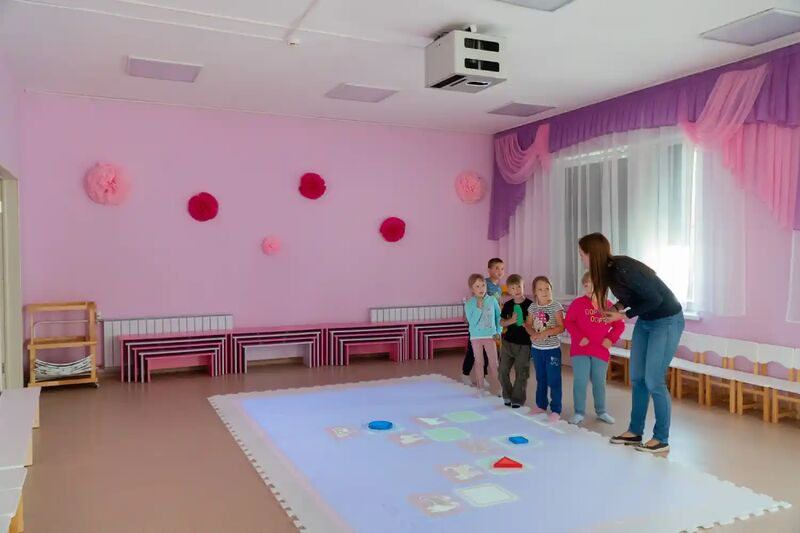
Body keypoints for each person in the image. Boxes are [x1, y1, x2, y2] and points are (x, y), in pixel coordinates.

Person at [578, 232, 684, 453]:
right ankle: (635, 432)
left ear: (592, 254)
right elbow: (632, 296)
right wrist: (615, 309)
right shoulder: (608, 273)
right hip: (646, 321)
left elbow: (655, 298)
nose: (580, 258)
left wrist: (623, 316)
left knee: (654, 380)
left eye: (582, 254)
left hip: (666, 321)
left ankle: (661, 439)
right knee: (637, 378)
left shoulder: (622, 268)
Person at [564, 271, 624, 425]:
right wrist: (579, 337)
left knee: (599, 382)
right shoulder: (578, 303)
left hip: (600, 351)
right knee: (580, 381)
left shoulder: (609, 306)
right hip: (580, 350)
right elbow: (568, 322)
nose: (589, 288)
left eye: (593, 285)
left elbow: (619, 325)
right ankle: (579, 412)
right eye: (586, 285)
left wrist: (610, 339)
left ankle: (601, 411)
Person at [525, 276, 565, 422]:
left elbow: (561, 327)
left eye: (547, 288)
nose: (544, 292)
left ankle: (556, 409)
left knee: (554, 379)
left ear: (551, 290)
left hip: (552, 349)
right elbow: (528, 324)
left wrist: (545, 333)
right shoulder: (532, 307)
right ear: (535, 292)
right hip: (537, 350)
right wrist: (533, 334)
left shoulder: (556, 306)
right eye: (540, 289)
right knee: (541, 378)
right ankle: (541, 405)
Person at [461, 258, 504, 386]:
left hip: (489, 331)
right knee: (474, 355)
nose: (500, 271)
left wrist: (498, 331)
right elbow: (473, 304)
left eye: (502, 268)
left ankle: (485, 379)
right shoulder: (483, 283)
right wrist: (475, 310)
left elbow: (497, 313)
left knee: (490, 359)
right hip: (477, 331)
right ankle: (466, 374)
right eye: (496, 268)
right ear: (489, 270)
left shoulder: (497, 288)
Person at [498, 275, 532, 409]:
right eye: (512, 288)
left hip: (524, 345)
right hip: (508, 343)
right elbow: (501, 322)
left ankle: (517, 399)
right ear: (509, 291)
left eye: (519, 287)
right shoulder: (508, 305)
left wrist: (526, 324)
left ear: (523, 287)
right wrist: (511, 321)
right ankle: (507, 394)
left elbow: (534, 324)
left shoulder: (530, 305)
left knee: (521, 372)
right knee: (502, 370)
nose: (516, 290)